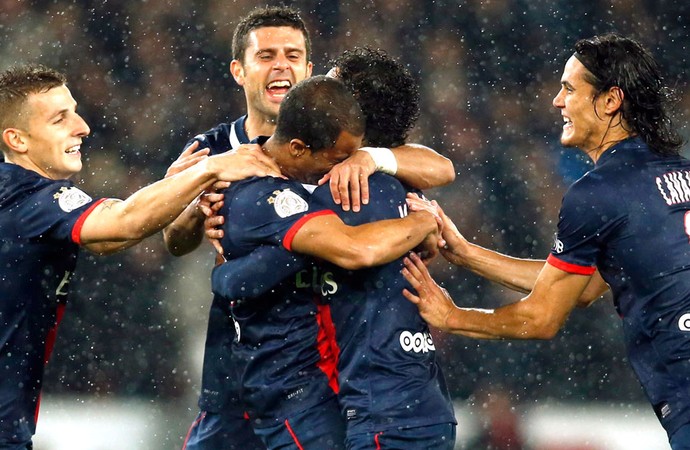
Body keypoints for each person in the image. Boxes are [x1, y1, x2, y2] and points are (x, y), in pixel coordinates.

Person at [167, 6, 455, 449]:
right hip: (240, 358)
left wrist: (371, 158)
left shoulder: (344, 140)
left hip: (316, 373)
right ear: (239, 71)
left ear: (309, 71)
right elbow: (174, 241)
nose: (281, 64)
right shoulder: (212, 151)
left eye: (293, 55)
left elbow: (440, 166)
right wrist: (195, 211)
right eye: (266, 56)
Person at [399, 33, 690, 449]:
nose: (557, 101)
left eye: (570, 89)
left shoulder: (599, 192)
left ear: (610, 101)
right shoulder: (677, 173)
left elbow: (541, 317)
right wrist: (464, 253)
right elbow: (585, 287)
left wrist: (453, 316)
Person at [0, 63, 281, 450]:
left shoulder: (18, 198)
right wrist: (211, 168)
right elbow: (122, 224)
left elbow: (116, 227)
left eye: (75, 111)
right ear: (17, 139)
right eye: (59, 119)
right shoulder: (26, 198)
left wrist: (173, 187)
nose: (81, 126)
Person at [209, 74, 443, 449]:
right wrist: (422, 221)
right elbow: (357, 250)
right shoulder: (255, 192)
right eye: (338, 159)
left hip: (327, 386)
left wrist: (372, 159)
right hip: (287, 389)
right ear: (300, 148)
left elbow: (443, 168)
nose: (345, 168)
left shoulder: (331, 179)